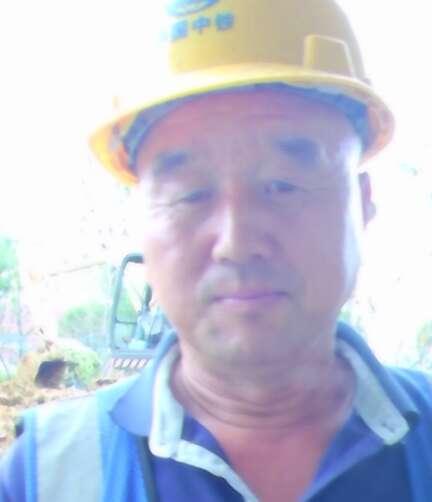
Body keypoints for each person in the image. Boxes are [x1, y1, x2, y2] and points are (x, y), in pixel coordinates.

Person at [2, 1, 432, 501]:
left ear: (362, 204)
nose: (236, 242)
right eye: (190, 194)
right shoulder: (43, 478)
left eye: (283, 184)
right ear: (139, 222)